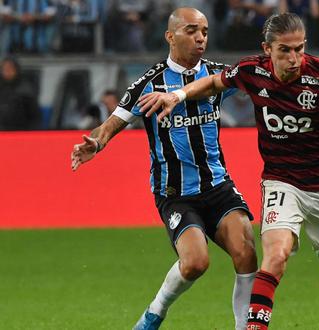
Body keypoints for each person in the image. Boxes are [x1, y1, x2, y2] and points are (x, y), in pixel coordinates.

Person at [138, 12, 319, 329]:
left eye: (300, 49)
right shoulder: (251, 70)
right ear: (267, 49)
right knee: (276, 256)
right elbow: (214, 82)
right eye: (285, 50)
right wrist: (179, 94)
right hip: (282, 182)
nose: (294, 58)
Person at [70, 8, 259, 330]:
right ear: (170, 36)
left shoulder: (216, 75)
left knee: (247, 253)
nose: (201, 37)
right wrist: (97, 143)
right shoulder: (148, 83)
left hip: (217, 184)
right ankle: (154, 313)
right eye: (191, 30)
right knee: (196, 263)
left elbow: (262, 78)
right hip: (175, 193)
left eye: (205, 30)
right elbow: (113, 122)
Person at [0, 56, 40, 130]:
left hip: (20, 133)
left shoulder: (26, 90)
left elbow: (35, 118)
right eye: (4, 69)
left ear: (16, 70)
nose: (7, 71)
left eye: (10, 68)